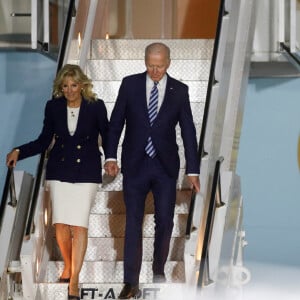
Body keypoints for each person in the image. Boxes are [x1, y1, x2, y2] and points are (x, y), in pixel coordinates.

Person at [104, 42, 201, 299]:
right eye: (150, 65)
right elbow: (115, 124)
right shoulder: (130, 84)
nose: (154, 70)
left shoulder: (179, 90)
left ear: (168, 63)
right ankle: (131, 282)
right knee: (133, 221)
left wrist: (193, 169)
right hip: (135, 164)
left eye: (159, 66)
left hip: (164, 166)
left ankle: (159, 270)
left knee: (165, 222)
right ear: (145, 61)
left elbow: (188, 132)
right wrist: (110, 156)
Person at [6, 64, 108, 300]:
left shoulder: (96, 106)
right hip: (60, 170)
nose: (70, 90)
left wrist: (111, 157)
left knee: (79, 225)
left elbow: (109, 133)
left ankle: (74, 281)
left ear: (82, 85)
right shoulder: (53, 107)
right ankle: (69, 264)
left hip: (87, 171)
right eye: (65, 86)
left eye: (74, 85)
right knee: (61, 225)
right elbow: (43, 141)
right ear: (60, 88)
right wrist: (19, 151)